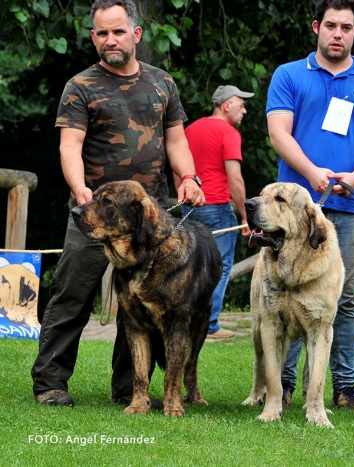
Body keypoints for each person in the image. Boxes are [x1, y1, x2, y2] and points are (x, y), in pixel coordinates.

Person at [31, 0, 204, 407]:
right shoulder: (80, 86)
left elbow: (176, 139)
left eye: (118, 31)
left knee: (141, 305)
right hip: (93, 212)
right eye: (102, 33)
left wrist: (189, 177)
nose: (110, 40)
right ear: (93, 37)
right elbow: (69, 145)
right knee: (71, 295)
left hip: (149, 219)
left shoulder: (163, 83)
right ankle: (51, 383)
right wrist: (80, 190)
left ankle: (130, 389)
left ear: (136, 34)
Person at [266, 0, 354, 413]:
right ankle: (282, 386)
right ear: (316, 27)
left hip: (353, 209)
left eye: (347, 27)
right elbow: (279, 133)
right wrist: (312, 172)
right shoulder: (288, 75)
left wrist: (353, 178)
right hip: (293, 212)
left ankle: (344, 386)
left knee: (348, 301)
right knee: (285, 294)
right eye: (331, 25)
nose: (337, 34)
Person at [175, 85, 253, 339]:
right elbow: (235, 179)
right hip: (217, 207)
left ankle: (187, 322)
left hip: (190, 207)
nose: (245, 110)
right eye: (241, 105)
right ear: (226, 105)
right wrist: (245, 217)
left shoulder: (191, 128)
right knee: (217, 268)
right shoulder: (228, 132)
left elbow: (178, 167)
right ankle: (209, 326)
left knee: (191, 268)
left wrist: (183, 194)